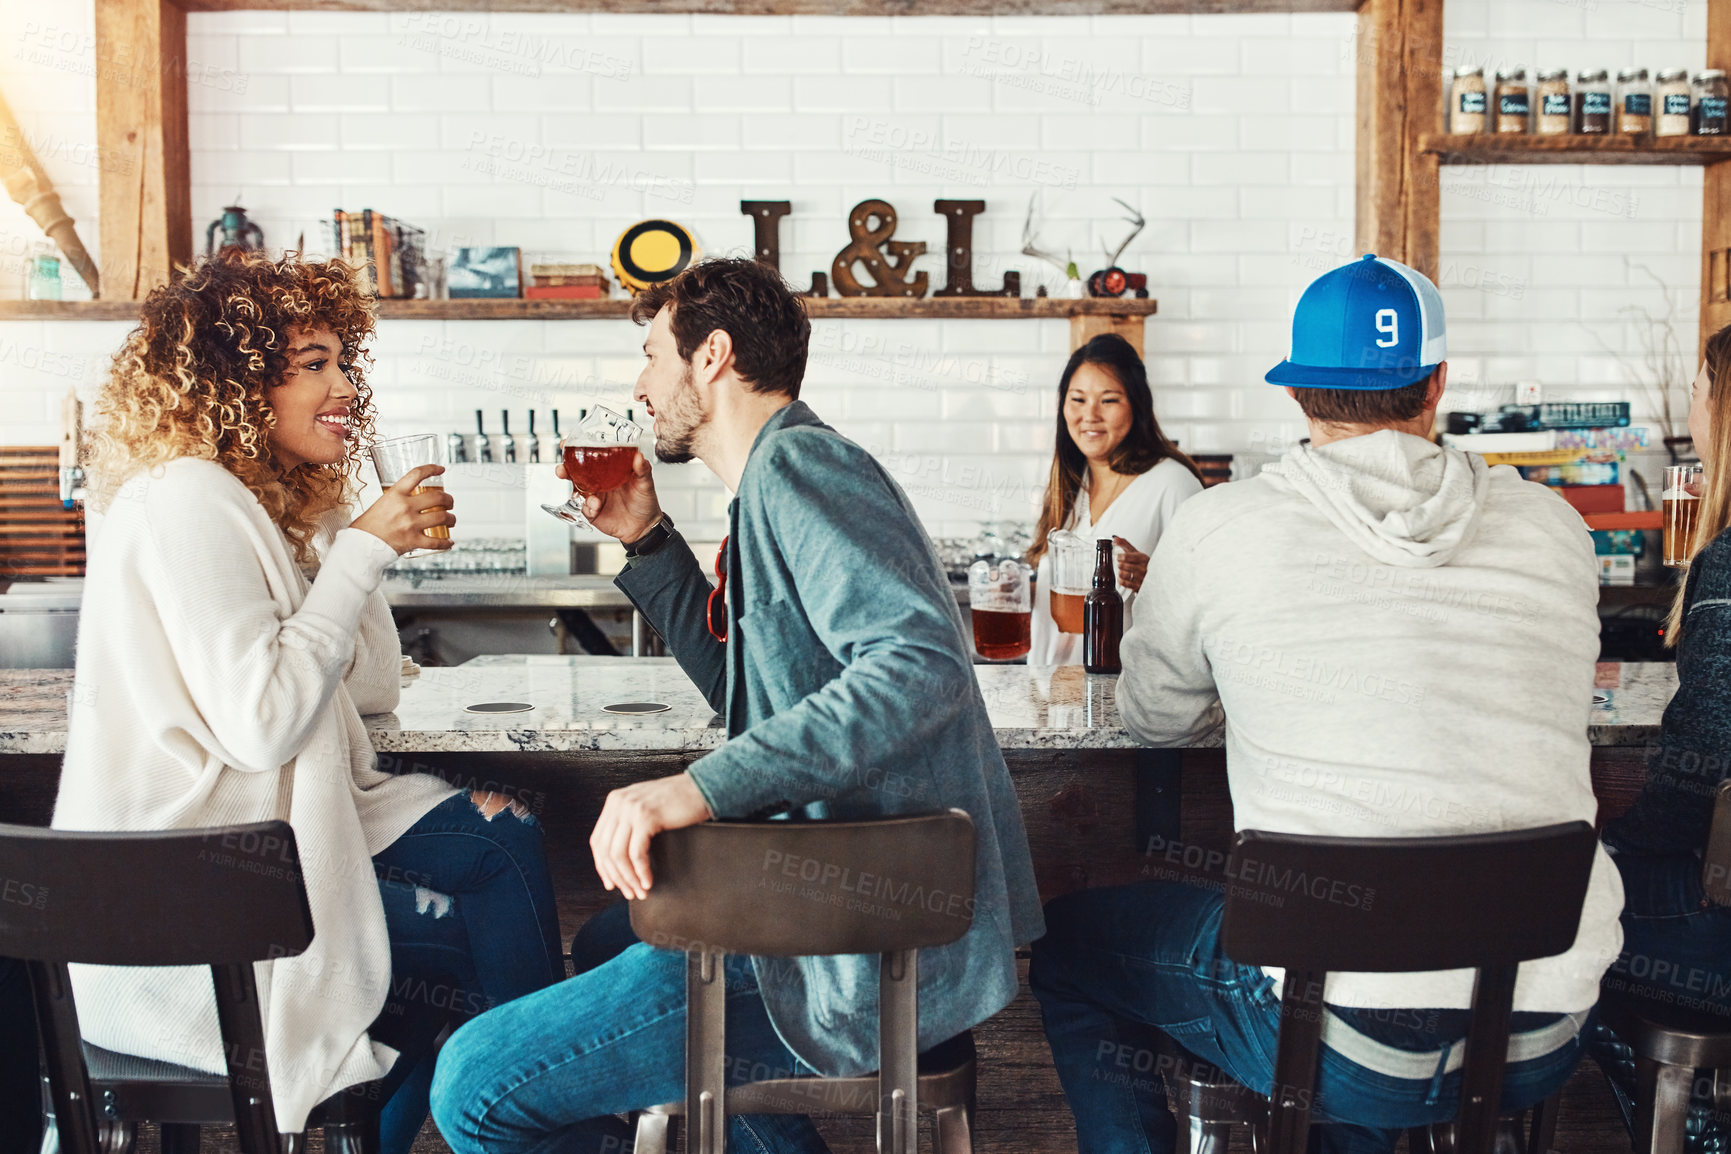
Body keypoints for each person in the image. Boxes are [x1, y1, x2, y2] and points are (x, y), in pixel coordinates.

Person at [429, 257, 1044, 1154]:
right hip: (838, 918)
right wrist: (645, 538)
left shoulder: (799, 465)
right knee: (608, 938)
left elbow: (918, 669)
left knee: (476, 1088)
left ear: (710, 355)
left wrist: (696, 789)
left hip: (842, 946)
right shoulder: (771, 480)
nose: (640, 386)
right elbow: (747, 693)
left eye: (650, 356)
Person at [1028, 254, 1624, 1153]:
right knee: (1343, 989)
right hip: (1541, 1031)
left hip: (1341, 1038)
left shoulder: (1223, 525)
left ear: (1299, 393)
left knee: (1072, 946)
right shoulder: (1554, 527)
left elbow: (1155, 716)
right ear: (1436, 385)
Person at [51, 250, 564, 1151]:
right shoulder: (186, 499)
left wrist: (333, 528)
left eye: (343, 363)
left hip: (253, 855)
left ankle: (526, 1115)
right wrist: (359, 552)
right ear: (239, 384)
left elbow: (363, 694)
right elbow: (264, 724)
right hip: (200, 914)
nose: (343, 388)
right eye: (312, 365)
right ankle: (550, 1121)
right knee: (479, 946)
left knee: (503, 842)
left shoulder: (249, 499)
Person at [1587, 323, 1731, 1151]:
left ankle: (1699, 1126)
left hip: (1708, 931)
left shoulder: (1727, 567)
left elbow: (1699, 773)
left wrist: (1612, 849)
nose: (1690, 406)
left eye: (1700, 390)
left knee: (1543, 927)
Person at [1026, 334, 1203, 665]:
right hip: (1053, 697)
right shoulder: (1071, 483)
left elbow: (1211, 603)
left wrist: (1154, 581)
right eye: (1077, 400)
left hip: (1122, 699)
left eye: (1108, 401)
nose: (1090, 416)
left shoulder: (1173, 485)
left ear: (1137, 405)